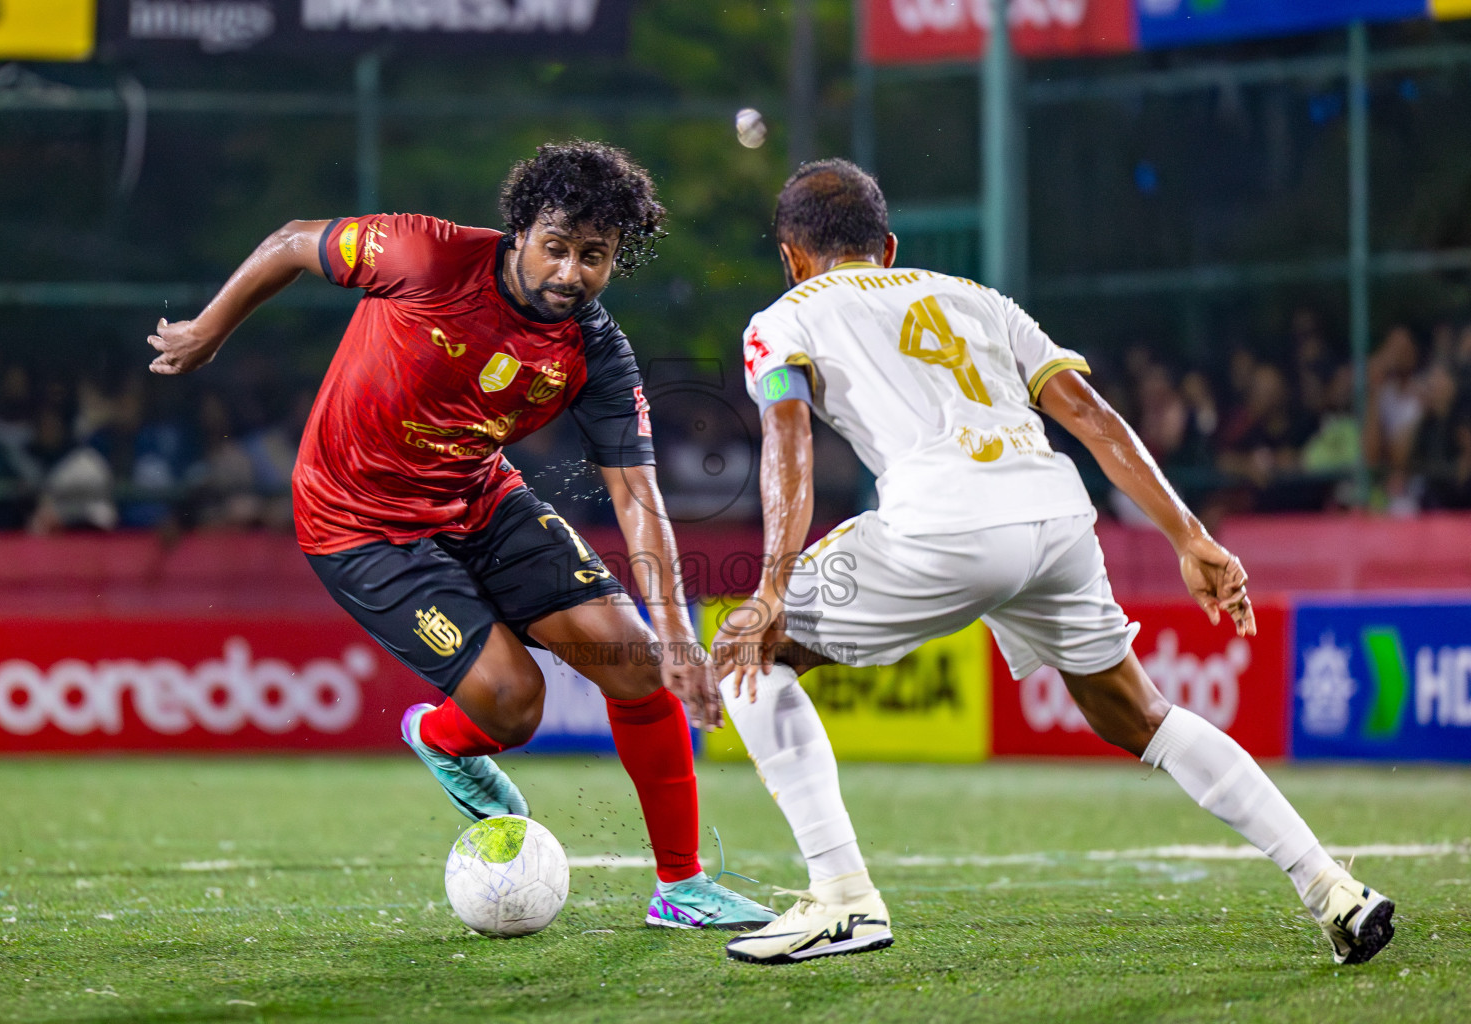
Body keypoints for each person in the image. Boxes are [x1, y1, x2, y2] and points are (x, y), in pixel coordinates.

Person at [712, 159, 1394, 966]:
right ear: (887, 246)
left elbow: (786, 436)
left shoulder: (785, 315)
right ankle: (1332, 889)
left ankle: (843, 899)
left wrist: (768, 589)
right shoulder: (979, 298)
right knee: (1137, 714)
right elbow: (1094, 418)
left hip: (944, 526)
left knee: (745, 654)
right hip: (1057, 518)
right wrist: (1190, 536)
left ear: (791, 256)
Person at [147, 141, 775, 931]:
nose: (570, 273)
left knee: (638, 666)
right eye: (557, 247)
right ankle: (444, 739)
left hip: (479, 497)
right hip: (358, 521)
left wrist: (679, 632)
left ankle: (680, 888)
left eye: (595, 256)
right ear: (519, 232)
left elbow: (635, 491)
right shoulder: (426, 256)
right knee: (514, 706)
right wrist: (209, 329)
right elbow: (289, 242)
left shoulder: (596, 350)